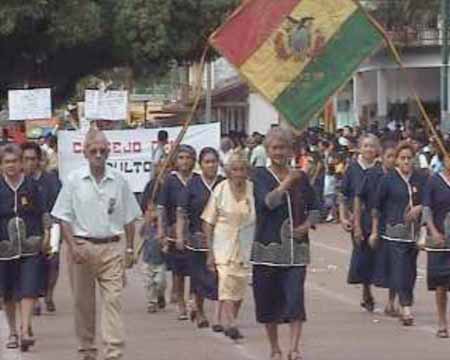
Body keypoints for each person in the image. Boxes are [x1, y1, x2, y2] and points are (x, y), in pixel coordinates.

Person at [51, 129, 141, 360]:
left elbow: (130, 218)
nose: (99, 155)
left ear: (109, 152)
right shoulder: (74, 180)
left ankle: (114, 351)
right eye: (94, 151)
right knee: (84, 304)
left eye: (103, 150)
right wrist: (72, 247)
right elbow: (63, 217)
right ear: (85, 153)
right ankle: (87, 348)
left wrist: (130, 248)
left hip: (112, 248)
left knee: (113, 299)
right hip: (82, 247)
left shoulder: (119, 180)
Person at [252, 128, 319, 360]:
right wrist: (285, 183)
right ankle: (274, 347)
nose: (280, 152)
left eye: (283, 148)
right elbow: (268, 203)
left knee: (295, 299)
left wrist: (307, 225)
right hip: (267, 250)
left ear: (291, 151)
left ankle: (294, 348)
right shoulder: (259, 175)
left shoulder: (301, 178)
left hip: (296, 251)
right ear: (268, 151)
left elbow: (316, 207)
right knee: (268, 300)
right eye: (275, 148)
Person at [202, 151, 255, 341]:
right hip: (222, 243)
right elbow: (208, 221)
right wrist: (209, 251)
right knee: (225, 281)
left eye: (242, 170)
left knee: (239, 285)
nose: (239, 173)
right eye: (235, 170)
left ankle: (227, 318)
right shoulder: (221, 189)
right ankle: (231, 323)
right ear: (229, 171)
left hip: (245, 243)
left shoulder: (252, 189)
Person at [0, 144, 47, 352]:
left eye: (14, 161)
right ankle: (12, 331)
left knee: (29, 288)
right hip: (4, 249)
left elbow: (44, 213)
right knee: (8, 294)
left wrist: (47, 237)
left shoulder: (32, 186)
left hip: (31, 245)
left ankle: (25, 328)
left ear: (21, 164)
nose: (11, 165)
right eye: (7, 162)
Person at [373, 142, 426, 326]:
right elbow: (377, 207)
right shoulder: (388, 180)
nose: (406, 162)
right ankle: (406, 308)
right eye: (402, 158)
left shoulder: (420, 178)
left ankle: (398, 302)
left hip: (414, 234)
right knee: (400, 270)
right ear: (396, 160)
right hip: (394, 234)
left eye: (409, 158)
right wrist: (374, 232)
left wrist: (419, 208)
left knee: (410, 271)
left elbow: (428, 201)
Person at [178, 147, 225, 330]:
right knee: (198, 278)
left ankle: (219, 317)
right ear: (201, 164)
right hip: (197, 239)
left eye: (214, 161)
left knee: (219, 278)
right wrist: (181, 236)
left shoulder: (223, 183)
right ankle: (199, 311)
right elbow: (182, 211)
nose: (211, 165)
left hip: (221, 239)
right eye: (207, 162)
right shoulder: (193, 184)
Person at [355, 140, 397, 316]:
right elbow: (358, 197)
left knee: (395, 264)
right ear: (382, 157)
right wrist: (357, 224)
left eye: (395, 157)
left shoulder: (401, 177)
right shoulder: (372, 174)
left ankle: (391, 302)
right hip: (369, 223)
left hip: (392, 224)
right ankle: (367, 293)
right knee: (366, 261)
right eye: (389, 156)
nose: (393, 160)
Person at [340, 134, 379, 312]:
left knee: (378, 255)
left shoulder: (380, 170)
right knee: (362, 255)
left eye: (372, 146)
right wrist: (343, 217)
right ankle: (366, 290)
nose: (369, 149)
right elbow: (343, 195)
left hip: (377, 217)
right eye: (365, 146)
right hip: (357, 218)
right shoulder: (352, 169)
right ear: (359, 148)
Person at [157, 145, 197, 320]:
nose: (185, 161)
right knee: (179, 272)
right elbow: (161, 207)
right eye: (181, 157)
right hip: (175, 232)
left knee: (197, 270)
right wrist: (161, 230)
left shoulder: (197, 180)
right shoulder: (170, 181)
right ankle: (181, 303)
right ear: (175, 160)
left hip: (196, 233)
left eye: (188, 157)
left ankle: (194, 300)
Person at [21, 142, 62, 314]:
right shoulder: (19, 181)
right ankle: (35, 298)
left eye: (33, 159)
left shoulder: (50, 179)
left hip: (52, 223)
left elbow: (61, 202)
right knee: (32, 261)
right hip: (29, 226)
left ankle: (49, 294)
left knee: (53, 262)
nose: (30, 163)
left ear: (39, 160)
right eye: (26, 159)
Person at [422, 152, 450, 337]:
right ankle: (442, 322)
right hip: (440, 240)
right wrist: (433, 230)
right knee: (441, 284)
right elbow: (426, 208)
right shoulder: (433, 181)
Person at [140, 167, 167, 314]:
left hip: (160, 261)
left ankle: (161, 294)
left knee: (160, 282)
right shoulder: (146, 226)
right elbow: (141, 237)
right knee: (149, 282)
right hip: (147, 260)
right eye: (150, 211)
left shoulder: (162, 227)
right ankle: (152, 302)